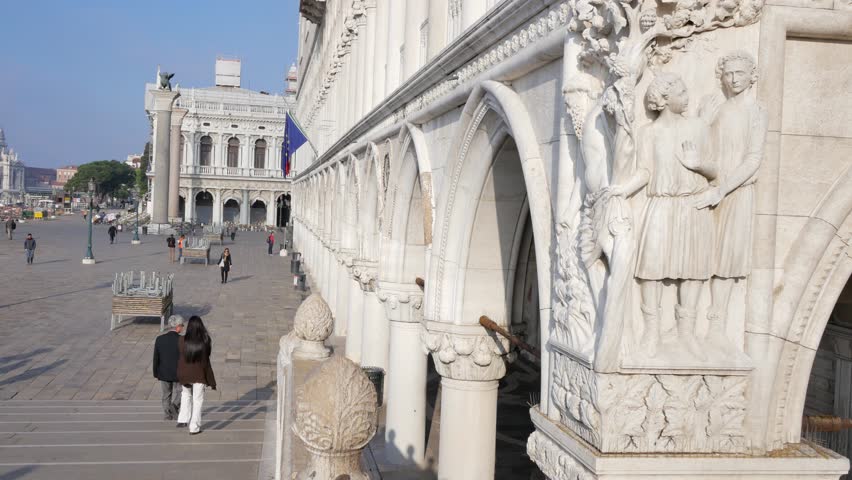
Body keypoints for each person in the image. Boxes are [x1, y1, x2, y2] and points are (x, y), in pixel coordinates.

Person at [610, 72, 715, 359]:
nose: (687, 96)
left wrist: (699, 165)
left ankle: (687, 332)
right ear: (665, 99)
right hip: (662, 205)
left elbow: (715, 171)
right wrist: (621, 190)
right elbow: (644, 171)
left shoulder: (698, 127)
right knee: (652, 267)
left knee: (693, 269)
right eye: (681, 92)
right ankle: (652, 331)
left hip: (692, 205)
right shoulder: (649, 132)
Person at [176, 316, 216, 435]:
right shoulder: (205, 340)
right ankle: (194, 427)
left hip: (184, 373)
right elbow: (207, 355)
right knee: (197, 400)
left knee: (186, 394)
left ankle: (183, 419)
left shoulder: (182, 340)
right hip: (199, 373)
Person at [153, 315, 185, 420]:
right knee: (182, 392)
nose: (183, 328)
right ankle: (175, 405)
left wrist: (156, 372)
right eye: (182, 326)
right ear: (178, 327)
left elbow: (156, 358)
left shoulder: (160, 339)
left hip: (164, 372)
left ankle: (167, 414)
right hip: (178, 373)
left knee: (166, 394)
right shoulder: (183, 340)